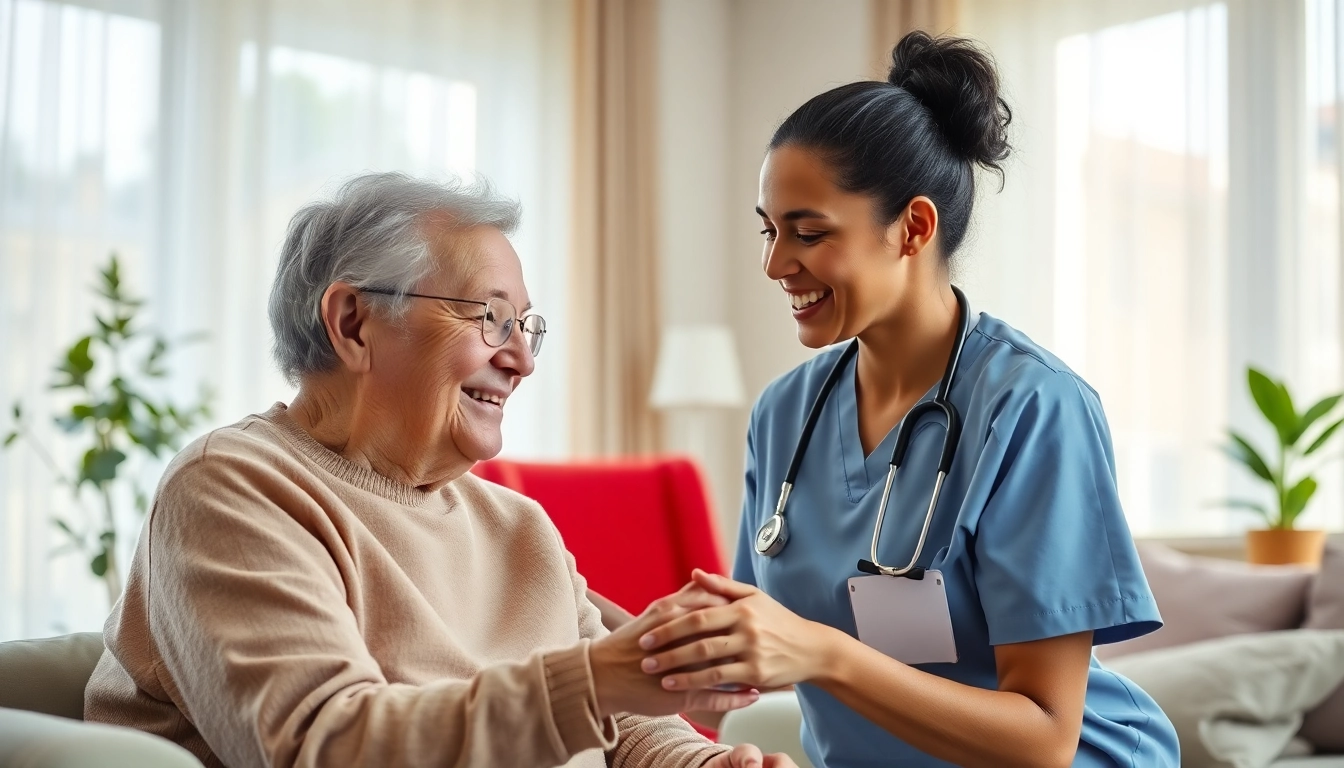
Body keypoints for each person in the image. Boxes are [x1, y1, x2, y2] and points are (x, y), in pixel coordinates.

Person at [84, 172, 796, 768]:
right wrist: (599, 677)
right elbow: (323, 746)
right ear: (353, 322)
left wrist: (711, 763)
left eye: (526, 326)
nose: (522, 359)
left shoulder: (515, 524)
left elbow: (620, 721)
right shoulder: (233, 490)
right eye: (489, 318)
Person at [630, 33, 1181, 768]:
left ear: (913, 228)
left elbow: (1045, 738)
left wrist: (824, 655)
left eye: (809, 232)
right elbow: (738, 663)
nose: (774, 263)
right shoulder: (784, 415)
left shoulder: (1033, 408)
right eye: (768, 230)